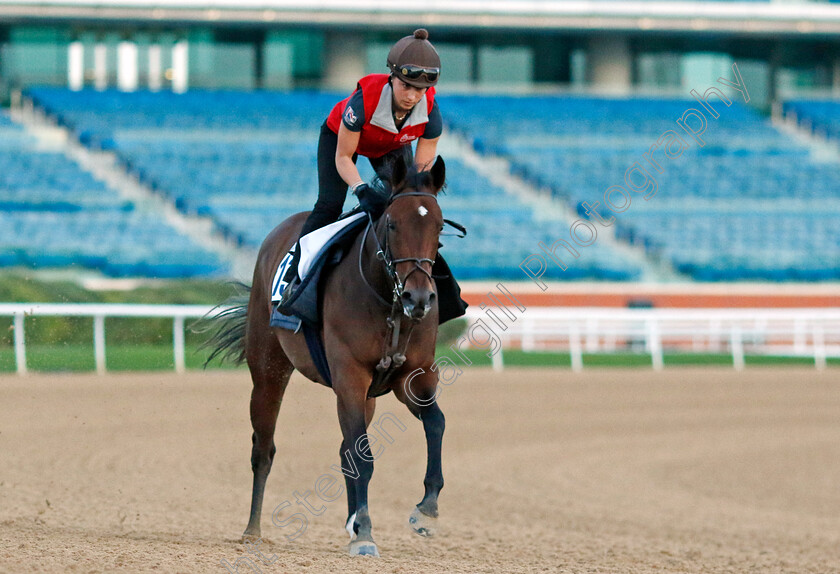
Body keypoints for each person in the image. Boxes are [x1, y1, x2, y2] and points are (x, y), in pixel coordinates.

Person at [278, 28, 453, 312]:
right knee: (329, 205)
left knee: (403, 208)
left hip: (389, 146)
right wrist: (361, 189)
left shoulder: (431, 113)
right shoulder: (362, 103)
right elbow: (345, 157)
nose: (411, 96)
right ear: (392, 77)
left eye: (419, 90)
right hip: (341, 141)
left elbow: (420, 172)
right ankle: (292, 275)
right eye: (406, 86)